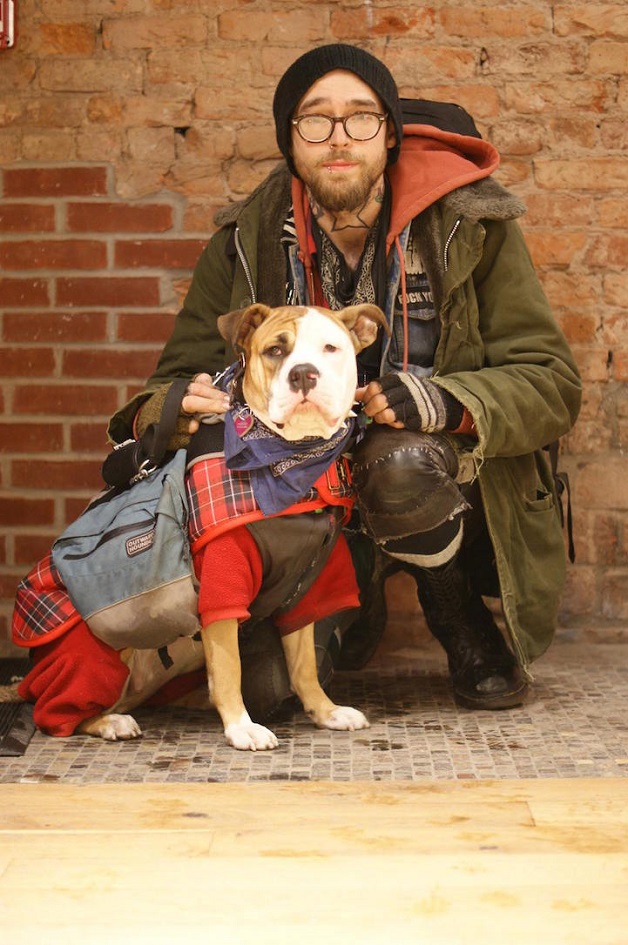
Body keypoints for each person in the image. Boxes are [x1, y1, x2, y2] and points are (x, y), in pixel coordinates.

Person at [109, 43, 581, 713]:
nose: (339, 139)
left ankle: (458, 617)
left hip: (436, 476)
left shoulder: (469, 226)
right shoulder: (244, 239)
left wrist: (443, 400)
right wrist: (174, 405)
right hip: (297, 500)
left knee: (400, 459)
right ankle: (348, 610)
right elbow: (173, 377)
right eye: (314, 120)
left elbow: (552, 381)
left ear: (388, 133)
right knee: (268, 696)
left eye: (361, 118)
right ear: (288, 139)